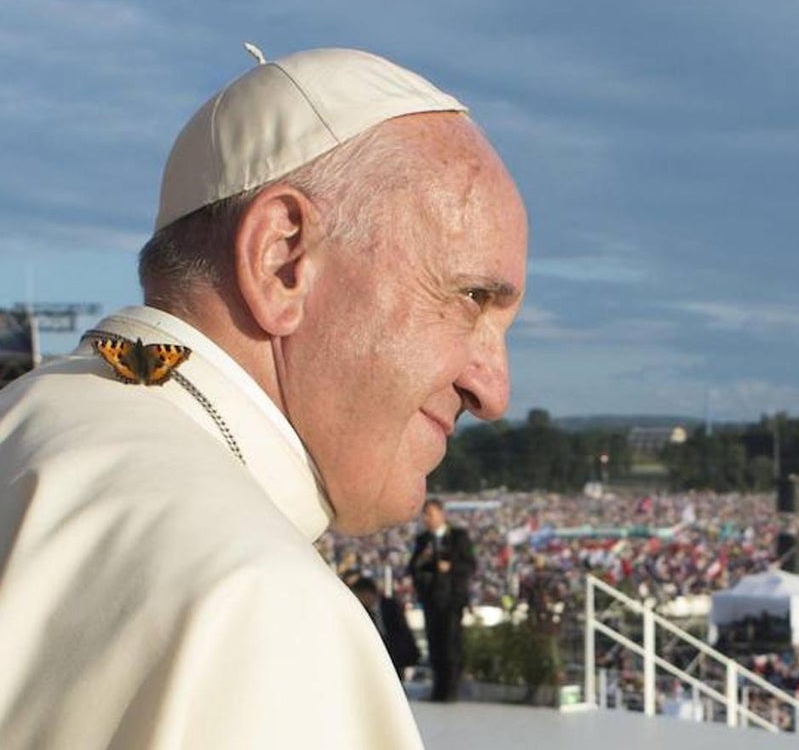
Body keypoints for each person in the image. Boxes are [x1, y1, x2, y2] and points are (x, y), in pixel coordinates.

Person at [0, 45, 527, 748]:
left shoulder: (27, 421)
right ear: (284, 261)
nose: (493, 390)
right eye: (471, 297)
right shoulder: (261, 603)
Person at [408, 499, 476, 702]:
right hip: (431, 599)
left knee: (451, 644)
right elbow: (412, 568)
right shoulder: (423, 540)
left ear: (441, 514)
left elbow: (470, 565)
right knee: (435, 645)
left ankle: (451, 689)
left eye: (430, 514)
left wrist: (450, 568)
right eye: (424, 515)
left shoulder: (458, 537)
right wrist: (423, 559)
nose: (427, 519)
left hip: (452, 599)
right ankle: (438, 689)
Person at [349, 575, 421, 676]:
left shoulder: (390, 605)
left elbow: (401, 631)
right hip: (377, 655)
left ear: (367, 593)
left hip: (395, 653)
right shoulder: (362, 612)